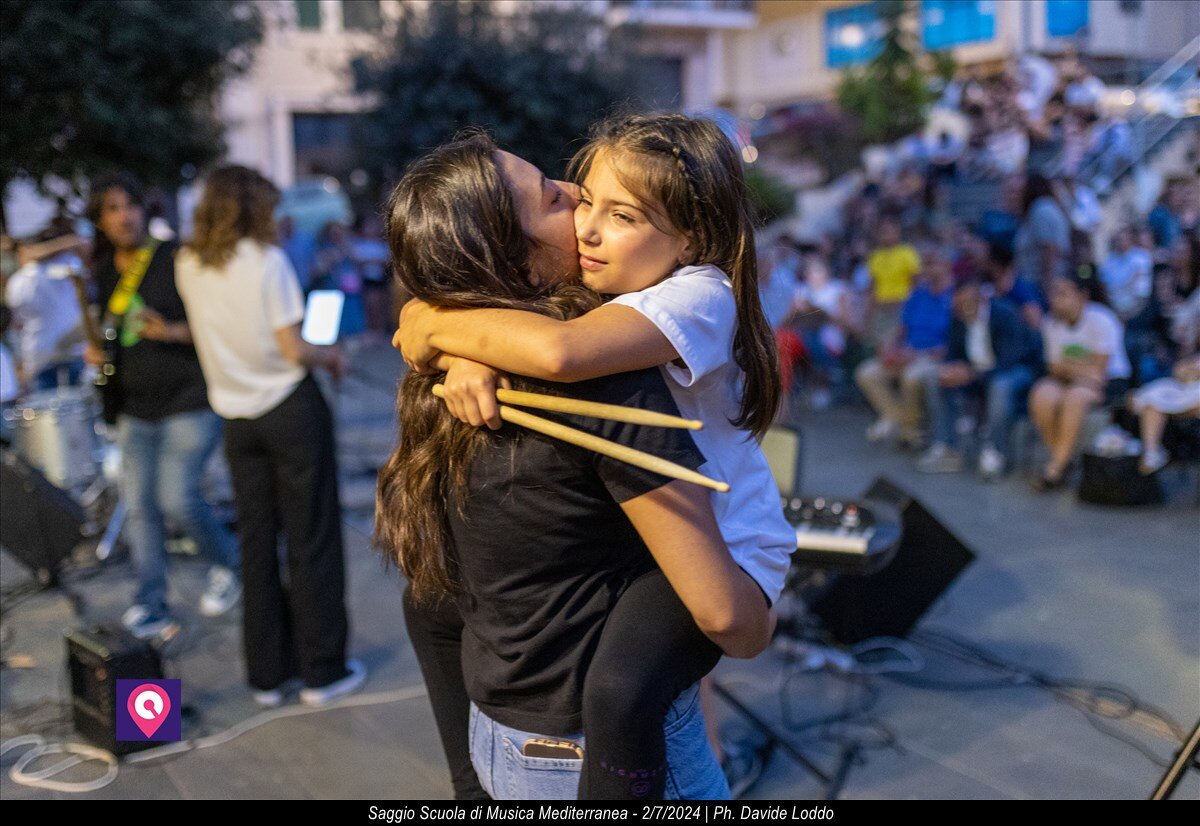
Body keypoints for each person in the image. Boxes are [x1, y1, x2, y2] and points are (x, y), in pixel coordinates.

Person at [395, 116, 788, 799]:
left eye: (619, 212)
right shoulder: (592, 374)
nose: (578, 204)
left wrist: (435, 328)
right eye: (558, 197)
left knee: (629, 681)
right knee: (623, 686)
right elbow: (554, 351)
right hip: (581, 749)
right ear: (514, 259)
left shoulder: (689, 297)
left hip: (502, 740)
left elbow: (558, 352)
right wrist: (447, 338)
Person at [175, 165, 364, 708]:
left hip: (237, 420)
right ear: (251, 208)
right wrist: (332, 355)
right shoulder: (268, 262)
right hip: (289, 410)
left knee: (256, 544)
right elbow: (293, 349)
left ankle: (267, 675)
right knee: (312, 538)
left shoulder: (189, 263)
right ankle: (321, 671)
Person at [86, 174, 241, 638]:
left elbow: (217, 325)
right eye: (111, 208)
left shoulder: (175, 258)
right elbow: (112, 332)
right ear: (100, 219)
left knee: (178, 497)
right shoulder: (103, 268)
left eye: (128, 205)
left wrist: (170, 332)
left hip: (188, 400)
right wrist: (98, 351)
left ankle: (230, 565)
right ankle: (151, 601)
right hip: (134, 407)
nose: (122, 216)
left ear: (143, 210)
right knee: (140, 509)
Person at [918, 280, 1041, 479]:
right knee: (936, 378)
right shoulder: (958, 318)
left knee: (1000, 386)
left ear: (979, 299)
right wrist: (953, 369)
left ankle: (995, 451)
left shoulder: (1005, 314)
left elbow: (1012, 357)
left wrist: (973, 373)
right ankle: (947, 448)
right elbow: (954, 353)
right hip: (977, 372)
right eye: (957, 305)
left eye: (965, 304)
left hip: (1014, 370)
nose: (960, 309)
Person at [1029, 273, 1131, 491]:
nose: (1056, 299)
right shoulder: (1051, 323)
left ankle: (1056, 468)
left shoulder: (1102, 319)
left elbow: (1100, 370)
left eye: (1063, 293)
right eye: (1054, 293)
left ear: (1082, 296)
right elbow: (1054, 367)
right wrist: (1080, 370)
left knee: (1074, 397)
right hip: (1070, 380)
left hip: (1111, 382)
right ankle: (1063, 459)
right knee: (1042, 395)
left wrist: (1072, 369)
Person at [854, 249, 954, 448]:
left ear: (947, 266)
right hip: (907, 353)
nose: (930, 269)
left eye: (935, 264)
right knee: (867, 373)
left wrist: (917, 355)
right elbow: (902, 328)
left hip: (936, 357)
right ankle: (899, 420)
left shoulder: (955, 296)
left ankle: (911, 430)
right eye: (928, 264)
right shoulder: (919, 294)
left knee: (912, 375)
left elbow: (954, 341)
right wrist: (889, 347)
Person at [1014, 172, 1070, 291]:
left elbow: (1050, 248)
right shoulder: (1046, 207)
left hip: (1040, 284)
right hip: (1041, 282)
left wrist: (1048, 286)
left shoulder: (1041, 208)